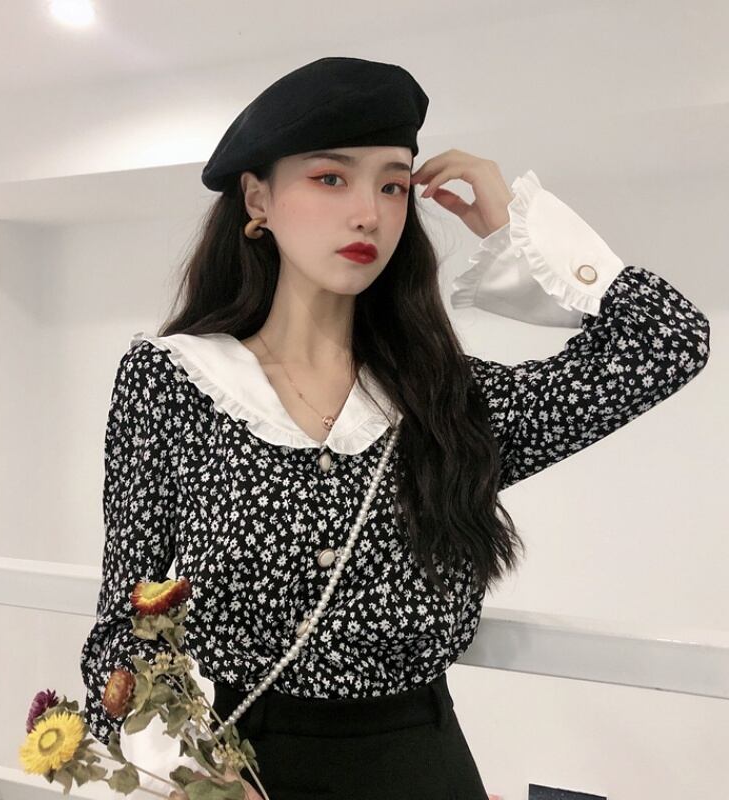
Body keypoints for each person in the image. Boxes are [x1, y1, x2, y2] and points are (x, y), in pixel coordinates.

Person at [79, 57, 711, 800]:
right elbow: (122, 625)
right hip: (237, 771)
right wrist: (188, 770)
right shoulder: (174, 380)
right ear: (257, 197)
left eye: (394, 186)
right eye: (331, 178)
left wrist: (519, 227)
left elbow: (667, 340)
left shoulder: (447, 402)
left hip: (424, 770)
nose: (369, 214)